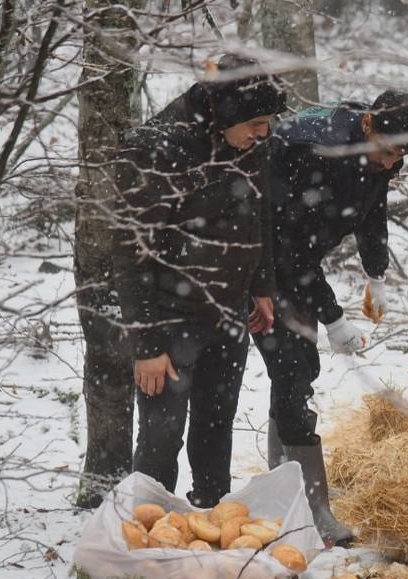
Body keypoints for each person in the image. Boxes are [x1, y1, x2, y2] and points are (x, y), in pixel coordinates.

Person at [110, 55, 286, 508]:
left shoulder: (252, 142)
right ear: (225, 113)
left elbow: (258, 212)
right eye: (257, 122)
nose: (264, 133)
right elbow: (130, 252)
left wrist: (261, 284)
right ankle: (147, 527)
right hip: (169, 315)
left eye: (268, 123)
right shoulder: (158, 148)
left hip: (229, 308)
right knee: (160, 438)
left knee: (215, 425)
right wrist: (147, 345)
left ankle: (211, 513)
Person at [256, 90, 408, 546]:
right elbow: (290, 248)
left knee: (295, 373)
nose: (392, 164)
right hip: (258, 260)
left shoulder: (375, 156)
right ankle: (311, 510)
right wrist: (333, 316)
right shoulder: (312, 151)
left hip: (297, 263)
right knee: (293, 369)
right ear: (369, 124)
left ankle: (286, 489)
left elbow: (372, 210)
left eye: (401, 158)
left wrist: (377, 273)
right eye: (389, 152)